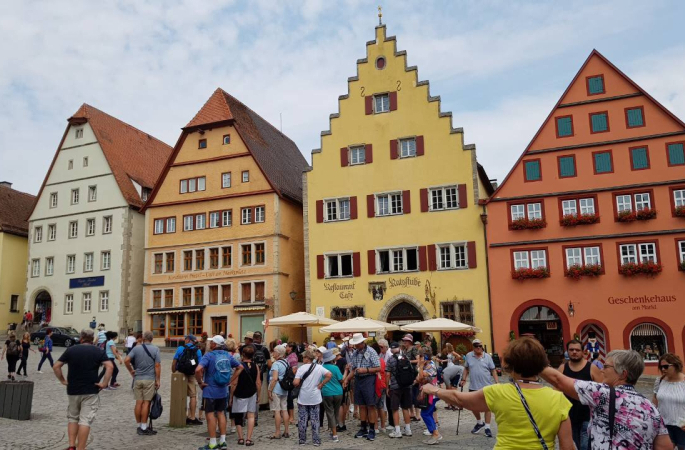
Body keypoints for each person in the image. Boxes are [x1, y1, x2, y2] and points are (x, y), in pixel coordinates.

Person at [423, 337, 573, 449]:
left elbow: (459, 399)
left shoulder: (498, 392)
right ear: (542, 364)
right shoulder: (558, 399)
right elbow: (567, 447)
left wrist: (434, 389)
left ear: (510, 364)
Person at [541, 349, 672, 449]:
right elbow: (665, 446)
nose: (601, 370)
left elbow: (558, 380)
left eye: (606, 367)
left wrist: (532, 358)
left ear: (623, 374)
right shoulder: (651, 407)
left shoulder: (603, 394)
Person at [52, 329, 113, 450]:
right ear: (92, 338)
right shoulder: (98, 351)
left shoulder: (71, 350)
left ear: (81, 338)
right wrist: (104, 383)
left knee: (73, 418)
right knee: (85, 421)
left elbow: (56, 366)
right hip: (90, 389)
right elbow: (110, 366)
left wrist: (63, 380)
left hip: (73, 389)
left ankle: (71, 446)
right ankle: (81, 448)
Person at [196, 335, 240, 450]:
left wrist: (200, 382)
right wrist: (231, 380)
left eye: (212, 342)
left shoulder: (209, 355)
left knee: (210, 414)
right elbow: (240, 367)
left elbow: (198, 369)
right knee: (221, 413)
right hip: (223, 390)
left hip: (210, 390)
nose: (210, 344)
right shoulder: (227, 355)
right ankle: (223, 441)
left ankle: (212, 443)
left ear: (214, 344)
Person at [558, 339, 602, 450]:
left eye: (577, 350)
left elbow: (602, 390)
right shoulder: (563, 368)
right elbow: (556, 390)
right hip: (569, 414)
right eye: (571, 350)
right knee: (577, 441)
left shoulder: (592, 368)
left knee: (585, 445)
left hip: (588, 414)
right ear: (567, 351)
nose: (574, 352)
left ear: (583, 352)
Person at [343, 333, 381, 441]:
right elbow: (353, 369)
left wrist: (366, 370)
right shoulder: (355, 353)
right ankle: (363, 428)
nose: (355, 346)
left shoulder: (371, 351)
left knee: (370, 405)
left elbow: (378, 368)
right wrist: (347, 379)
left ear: (362, 342)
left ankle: (372, 429)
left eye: (357, 344)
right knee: (361, 405)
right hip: (358, 379)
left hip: (369, 379)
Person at [124, 331, 161, 436]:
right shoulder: (155, 349)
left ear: (143, 338)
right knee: (146, 403)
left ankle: (139, 425)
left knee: (138, 402)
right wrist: (158, 380)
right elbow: (157, 365)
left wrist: (131, 371)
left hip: (138, 378)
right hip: (149, 379)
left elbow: (126, 360)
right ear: (152, 339)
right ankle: (144, 427)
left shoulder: (136, 348)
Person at [459, 338, 499, 437]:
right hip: (474, 385)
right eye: (476, 346)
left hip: (486, 386)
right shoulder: (469, 356)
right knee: (473, 406)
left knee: (487, 407)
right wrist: (463, 379)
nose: (478, 348)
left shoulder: (487, 357)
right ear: (473, 347)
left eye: (480, 346)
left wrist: (497, 382)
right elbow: (466, 368)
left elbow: (493, 370)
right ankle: (480, 422)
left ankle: (487, 427)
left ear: (482, 346)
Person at [294, 349, 332, 446]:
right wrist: (321, 384)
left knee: (302, 419)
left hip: (303, 397)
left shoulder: (301, 368)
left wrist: (295, 377)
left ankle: (302, 440)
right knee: (315, 419)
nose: (302, 359)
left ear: (307, 358)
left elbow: (296, 383)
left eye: (303, 357)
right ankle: (316, 440)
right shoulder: (319, 367)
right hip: (315, 397)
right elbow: (329, 375)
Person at [230, 344, 261, 446]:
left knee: (238, 416)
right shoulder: (256, 366)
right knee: (251, 415)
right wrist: (259, 395)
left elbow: (234, 383)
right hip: (251, 393)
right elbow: (258, 382)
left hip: (239, 393)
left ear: (243, 354)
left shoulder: (239, 366)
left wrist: (231, 396)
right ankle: (248, 439)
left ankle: (240, 438)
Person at [653, 353, 685, 449]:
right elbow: (654, 402)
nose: (663, 369)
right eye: (661, 367)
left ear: (676, 365)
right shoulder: (659, 381)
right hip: (664, 426)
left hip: (682, 427)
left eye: (666, 366)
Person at [172, 335, 203, 425]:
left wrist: (174, 372)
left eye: (185, 339)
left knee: (180, 395)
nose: (185, 340)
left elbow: (174, 362)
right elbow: (200, 365)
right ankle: (192, 417)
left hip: (180, 374)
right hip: (191, 374)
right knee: (193, 396)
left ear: (188, 340)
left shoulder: (180, 348)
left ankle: (181, 416)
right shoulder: (198, 351)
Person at [386, 341, 414, 438]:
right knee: (405, 408)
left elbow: (387, 374)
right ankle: (408, 429)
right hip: (406, 386)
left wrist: (387, 387)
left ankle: (397, 431)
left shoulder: (390, 359)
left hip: (395, 387)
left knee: (395, 409)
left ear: (391, 349)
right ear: (399, 348)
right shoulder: (406, 357)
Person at [417, 347, 441, 444]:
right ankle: (434, 434)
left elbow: (421, 377)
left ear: (425, 357)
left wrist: (420, 366)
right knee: (428, 413)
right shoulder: (426, 365)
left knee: (425, 414)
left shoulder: (431, 366)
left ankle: (435, 433)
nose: (419, 358)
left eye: (420, 356)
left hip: (432, 394)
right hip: (428, 393)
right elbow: (419, 379)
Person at [268, 345, 291, 439]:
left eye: (274, 351)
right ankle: (287, 431)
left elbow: (274, 378)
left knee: (277, 411)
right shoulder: (286, 362)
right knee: (284, 409)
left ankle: (277, 432)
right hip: (284, 388)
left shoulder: (276, 364)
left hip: (276, 388)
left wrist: (270, 390)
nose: (273, 353)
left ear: (278, 353)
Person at [322, 349, 344, 442]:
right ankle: (334, 429)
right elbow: (341, 379)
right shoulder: (335, 368)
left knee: (329, 412)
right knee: (336, 411)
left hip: (327, 392)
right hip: (338, 392)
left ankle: (334, 434)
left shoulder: (321, 368)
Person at [400, 333, 421, 422]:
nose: (404, 342)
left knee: (415, 393)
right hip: (407, 374)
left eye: (406, 340)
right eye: (404, 340)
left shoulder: (414, 349)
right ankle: (411, 413)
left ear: (409, 341)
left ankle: (417, 414)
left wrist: (408, 361)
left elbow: (418, 360)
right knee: (409, 394)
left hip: (413, 373)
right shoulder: (404, 350)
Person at [285, 342, 299, 425]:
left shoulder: (292, 356)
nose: (286, 347)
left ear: (290, 347)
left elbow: (294, 369)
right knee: (288, 398)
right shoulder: (289, 355)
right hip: (288, 378)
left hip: (290, 379)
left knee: (289, 398)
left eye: (287, 346)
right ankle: (288, 416)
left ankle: (291, 417)